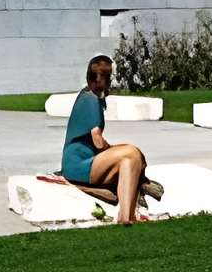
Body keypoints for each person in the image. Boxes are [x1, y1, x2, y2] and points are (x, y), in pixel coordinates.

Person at [54, 53, 157, 224]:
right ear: (106, 79)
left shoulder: (87, 95)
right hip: (79, 165)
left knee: (129, 158)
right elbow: (97, 140)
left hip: (82, 162)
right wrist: (112, 149)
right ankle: (126, 215)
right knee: (131, 152)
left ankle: (126, 217)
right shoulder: (91, 100)